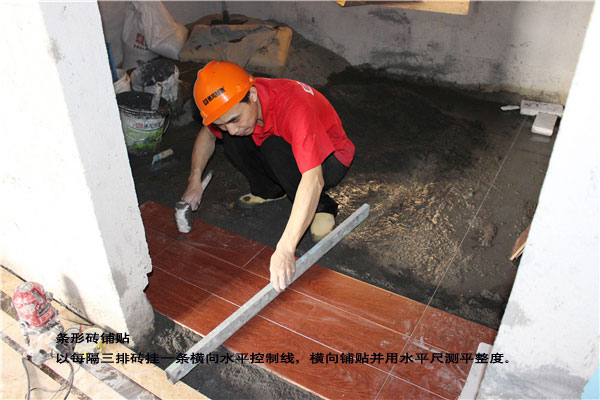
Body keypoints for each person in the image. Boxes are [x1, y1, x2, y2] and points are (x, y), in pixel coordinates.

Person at [181, 61, 355, 293]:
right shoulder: (238, 105)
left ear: (252, 95)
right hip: (287, 148)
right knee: (233, 139)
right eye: (222, 124)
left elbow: (313, 178)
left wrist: (285, 249)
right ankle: (270, 191)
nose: (230, 128)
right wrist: (194, 181)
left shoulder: (294, 107)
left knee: (273, 147)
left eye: (234, 119)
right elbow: (208, 135)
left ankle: (322, 206)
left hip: (330, 158)